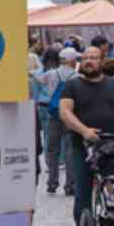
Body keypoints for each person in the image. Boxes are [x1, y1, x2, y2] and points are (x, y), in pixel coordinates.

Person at [59, 45, 114, 226]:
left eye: (94, 57)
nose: (89, 61)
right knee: (82, 189)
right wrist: (84, 131)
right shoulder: (72, 85)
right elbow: (65, 112)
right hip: (82, 145)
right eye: (86, 58)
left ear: (102, 60)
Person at [41, 47, 81, 195]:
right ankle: (70, 185)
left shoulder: (51, 74)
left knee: (53, 150)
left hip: (54, 115)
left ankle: (52, 183)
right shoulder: (77, 76)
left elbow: (40, 81)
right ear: (72, 60)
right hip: (70, 115)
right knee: (70, 150)